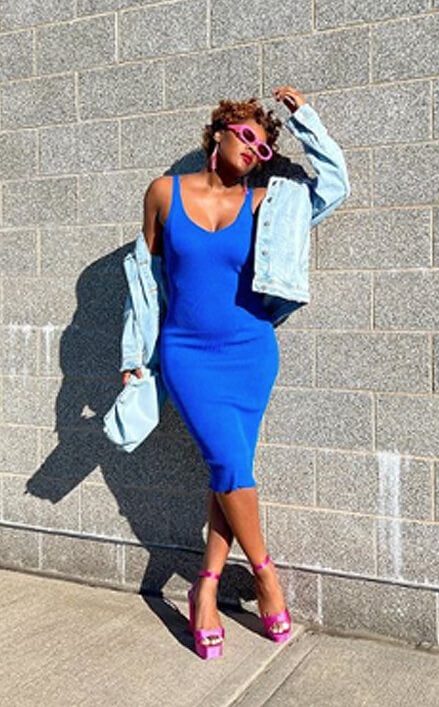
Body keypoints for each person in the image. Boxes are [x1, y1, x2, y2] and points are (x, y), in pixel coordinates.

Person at [123, 86, 307, 659]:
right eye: (247, 135)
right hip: (188, 355)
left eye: (264, 146)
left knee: (229, 471)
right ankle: (265, 576)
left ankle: (204, 587)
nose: (254, 148)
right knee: (230, 464)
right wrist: (134, 357)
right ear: (219, 133)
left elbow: (336, 184)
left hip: (251, 353)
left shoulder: (265, 203)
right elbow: (144, 284)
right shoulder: (163, 193)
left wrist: (307, 121)